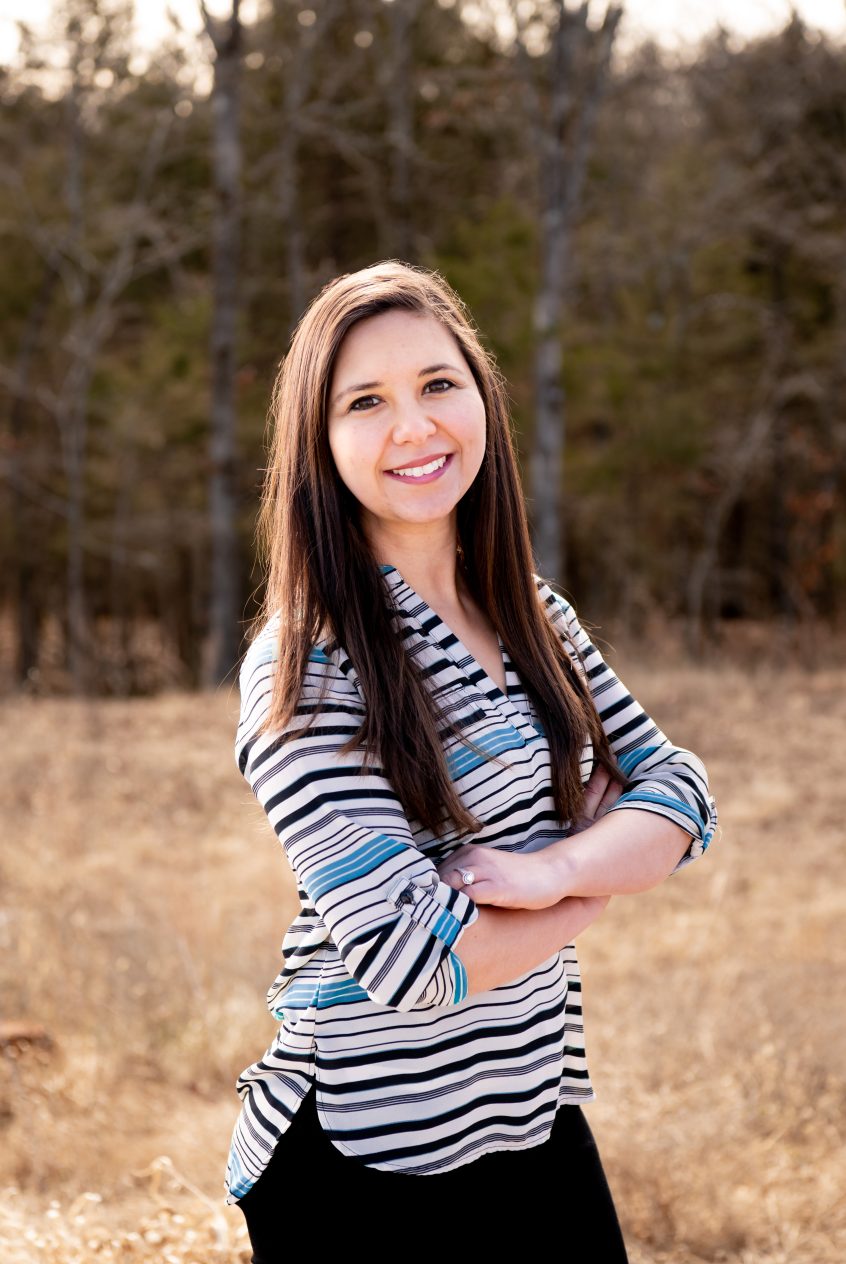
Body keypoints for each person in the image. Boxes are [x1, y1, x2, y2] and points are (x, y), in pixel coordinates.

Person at [223, 260, 718, 1260]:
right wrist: (604, 884)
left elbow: (682, 794)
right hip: (362, 1153)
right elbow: (411, 960)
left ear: (481, 396)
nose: (414, 426)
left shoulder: (531, 612)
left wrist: (547, 872)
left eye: (438, 384)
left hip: (527, 1107)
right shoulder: (308, 661)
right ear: (320, 443)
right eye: (366, 401)